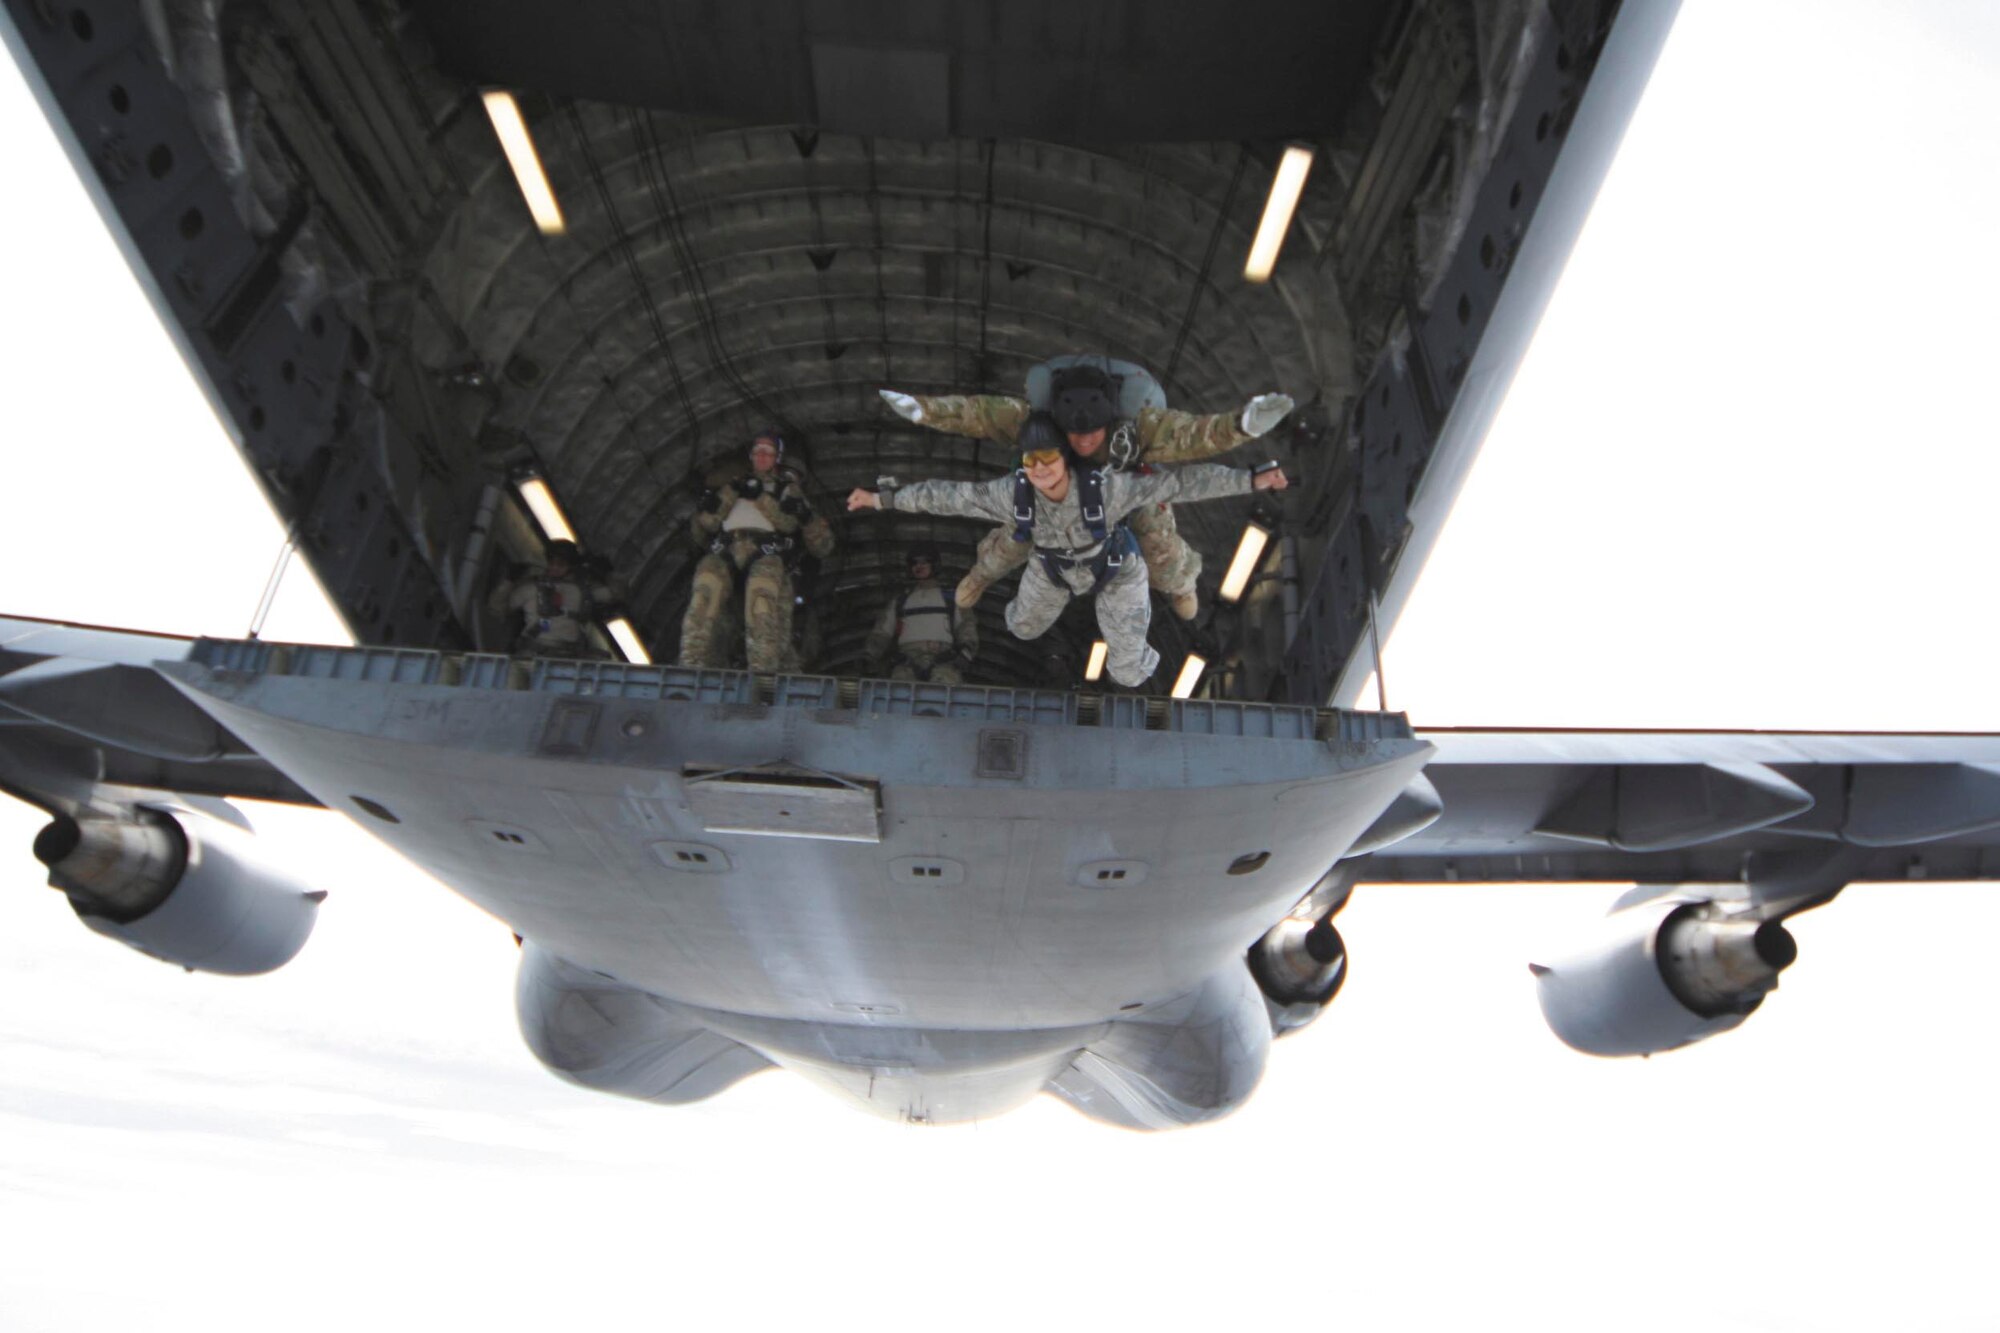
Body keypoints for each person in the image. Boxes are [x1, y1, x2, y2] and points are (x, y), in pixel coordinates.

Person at [848, 412, 1288, 688]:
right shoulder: (1013, 494)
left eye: (1048, 458)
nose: (1041, 470)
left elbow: (1181, 483)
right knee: (1020, 628)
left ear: (1065, 457)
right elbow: (948, 496)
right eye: (1030, 461)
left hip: (1116, 568)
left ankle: (1166, 605)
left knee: (1129, 674)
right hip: (1052, 569)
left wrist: (1249, 479)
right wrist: (882, 499)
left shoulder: (1106, 489)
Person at [878, 364, 1294, 619]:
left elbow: (1195, 436)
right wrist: (924, 410)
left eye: (1092, 433)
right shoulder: (1032, 422)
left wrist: (1244, 424)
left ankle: (1179, 584)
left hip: (1125, 491)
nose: (1081, 442)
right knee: (1014, 536)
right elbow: (978, 415)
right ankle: (979, 577)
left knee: (1158, 541)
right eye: (1073, 433)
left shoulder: (1140, 430)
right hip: (1053, 495)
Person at [678, 429, 835, 672]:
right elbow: (706, 526)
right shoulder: (735, 485)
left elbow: (814, 539)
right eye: (757, 451)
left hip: (771, 566)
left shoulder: (792, 497)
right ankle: (690, 668)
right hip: (727, 556)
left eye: (769, 453)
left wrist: (789, 508)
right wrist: (705, 509)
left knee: (764, 613)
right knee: (704, 599)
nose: (762, 457)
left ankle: (763, 677)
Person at [865, 543, 979, 683]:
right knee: (898, 694)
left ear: (935, 565)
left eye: (924, 562)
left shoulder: (953, 598)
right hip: (906, 661)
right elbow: (881, 633)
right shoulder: (900, 601)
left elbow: (966, 627)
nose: (918, 566)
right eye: (914, 563)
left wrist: (965, 653)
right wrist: (869, 655)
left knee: (947, 692)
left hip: (943, 660)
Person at [486, 539, 616, 659]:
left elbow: (616, 595)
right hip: (533, 653)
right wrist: (509, 581)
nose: (555, 568)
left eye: (561, 564)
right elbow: (497, 608)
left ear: (571, 565)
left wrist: (608, 573)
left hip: (568, 656)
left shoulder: (583, 590)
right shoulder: (532, 588)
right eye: (552, 563)